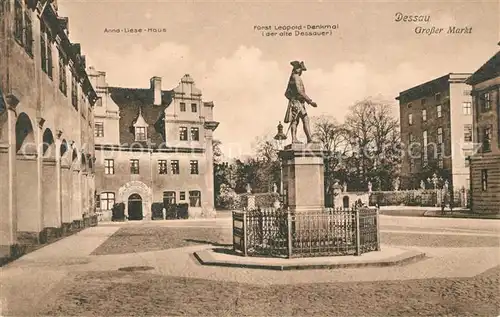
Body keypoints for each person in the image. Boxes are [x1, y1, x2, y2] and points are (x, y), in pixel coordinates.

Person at [284, 61, 317, 143]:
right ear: (298, 69)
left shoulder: (293, 77)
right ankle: (302, 139)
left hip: (298, 102)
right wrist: (310, 101)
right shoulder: (296, 77)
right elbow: (300, 91)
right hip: (297, 102)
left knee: (297, 120)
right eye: (301, 69)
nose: (301, 71)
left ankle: (305, 139)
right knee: (301, 120)